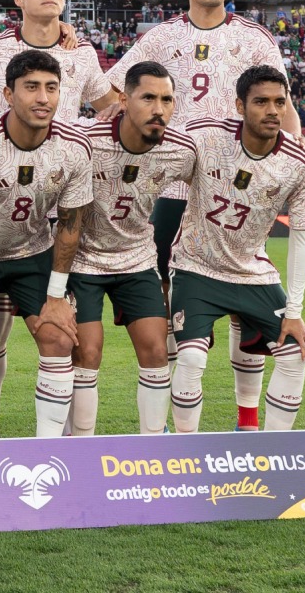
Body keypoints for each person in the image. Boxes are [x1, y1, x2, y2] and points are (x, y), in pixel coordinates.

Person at [104, 0, 301, 432]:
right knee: (170, 298)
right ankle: (168, 418)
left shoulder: (254, 38)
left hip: (239, 189)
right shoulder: (161, 37)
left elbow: (282, 101)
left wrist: (295, 149)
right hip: (170, 185)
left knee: (242, 296)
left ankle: (247, 419)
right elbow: (114, 90)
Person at [0, 0, 118, 437]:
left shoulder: (81, 53)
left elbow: (110, 113)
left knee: (55, 335)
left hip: (39, 219)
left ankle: (53, 447)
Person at [0, 50, 92, 439]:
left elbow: (71, 224)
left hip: (33, 253)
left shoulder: (75, 146)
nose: (43, 98)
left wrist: (57, 295)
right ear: (8, 95)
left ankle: (48, 448)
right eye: (31, 88)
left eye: (51, 88)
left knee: (60, 336)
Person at [169, 65, 305, 433]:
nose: (272, 110)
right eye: (261, 102)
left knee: (295, 353)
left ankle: (268, 451)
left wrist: (294, 311)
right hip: (195, 265)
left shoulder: (300, 163)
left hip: (253, 270)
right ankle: (183, 456)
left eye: (280, 102)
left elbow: (302, 238)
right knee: (189, 358)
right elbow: (155, 159)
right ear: (239, 105)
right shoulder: (205, 137)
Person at [65, 62, 197, 436]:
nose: (159, 109)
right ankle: (80, 446)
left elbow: (210, 187)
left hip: (137, 259)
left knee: (156, 352)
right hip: (83, 260)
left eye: (167, 99)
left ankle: (152, 446)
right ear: (123, 99)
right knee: (87, 354)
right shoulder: (85, 140)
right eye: (148, 98)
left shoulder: (181, 150)